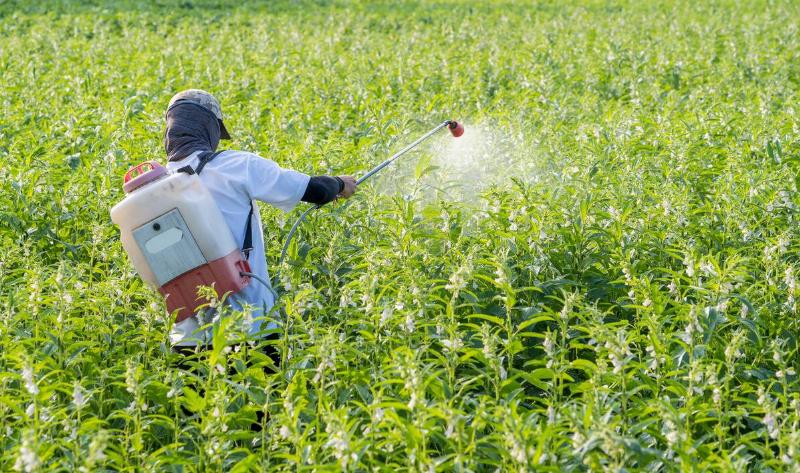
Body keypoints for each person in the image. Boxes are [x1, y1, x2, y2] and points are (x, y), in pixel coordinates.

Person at [163, 89, 357, 364]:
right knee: (263, 405)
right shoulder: (234, 165)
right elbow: (310, 189)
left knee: (198, 408)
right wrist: (339, 184)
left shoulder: (152, 187)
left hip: (188, 340)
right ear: (209, 128)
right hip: (249, 328)